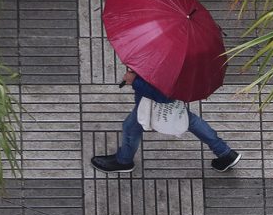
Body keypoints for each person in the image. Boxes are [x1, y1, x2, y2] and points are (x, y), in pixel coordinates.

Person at [91, 68, 241, 173]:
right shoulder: (182, 52)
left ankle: (124, 161)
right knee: (190, 120)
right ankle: (225, 153)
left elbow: (164, 96)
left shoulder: (166, 57)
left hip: (152, 101)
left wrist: (134, 80)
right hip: (169, 94)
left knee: (131, 127)